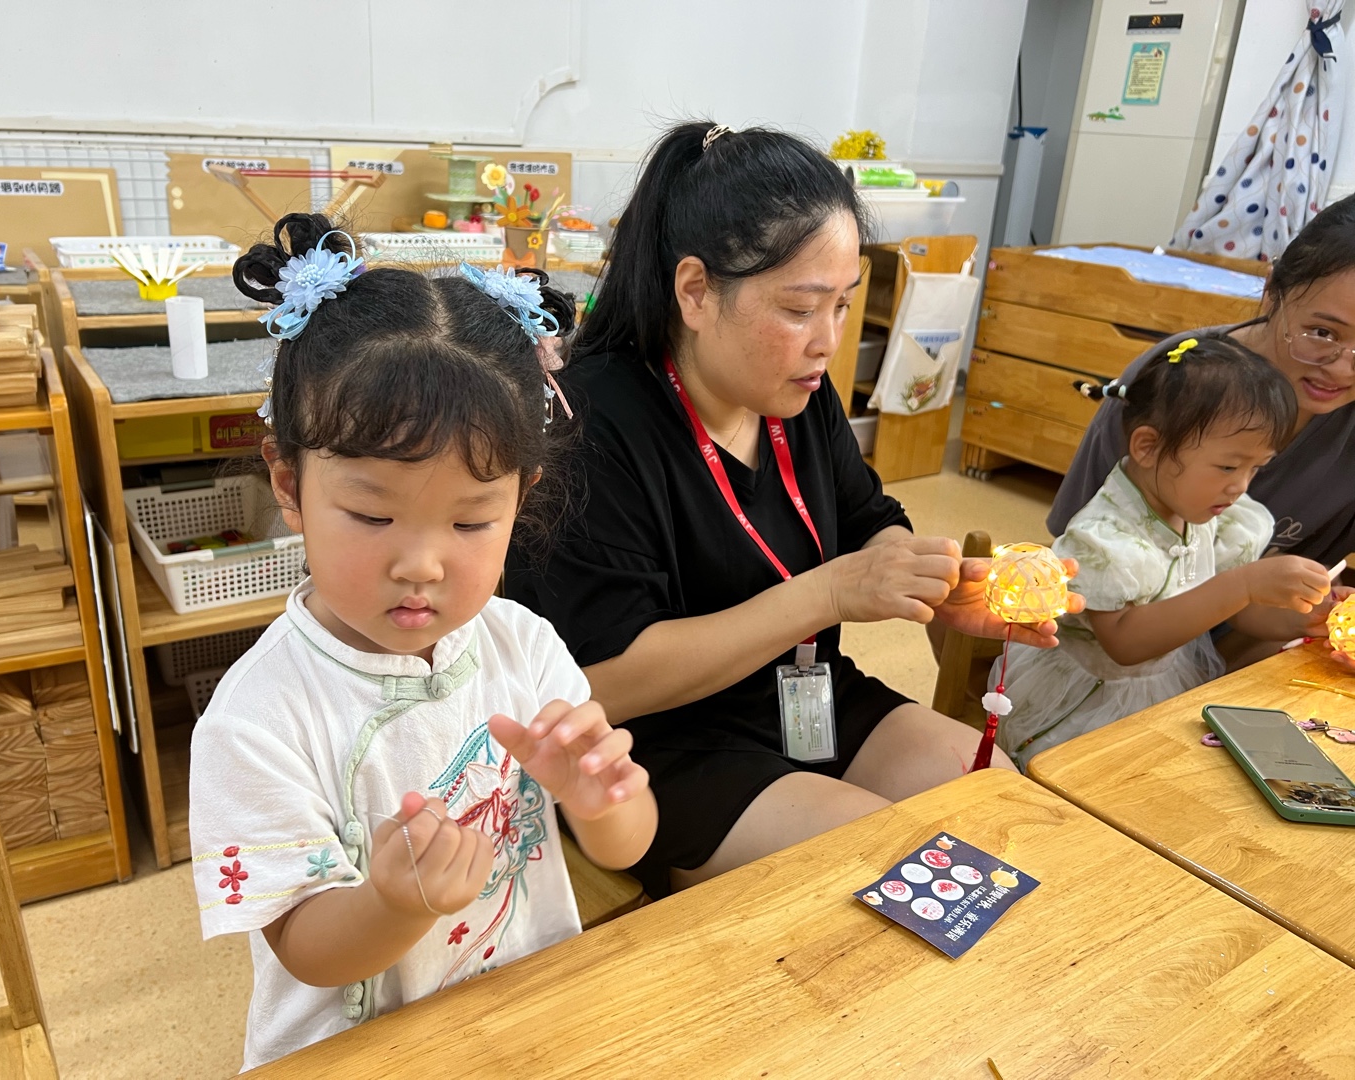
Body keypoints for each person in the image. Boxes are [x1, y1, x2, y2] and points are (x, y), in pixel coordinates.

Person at [505, 122, 1078, 900]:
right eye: (802, 308)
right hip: (653, 748)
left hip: (802, 693)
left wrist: (943, 587)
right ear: (695, 291)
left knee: (992, 802)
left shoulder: (795, 393)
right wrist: (829, 592)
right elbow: (601, 682)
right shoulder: (592, 423)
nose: (828, 342)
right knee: (885, 869)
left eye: (842, 306)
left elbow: (869, 518)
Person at [188, 214, 656, 1070]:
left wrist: (603, 802)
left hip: (518, 1028)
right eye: (371, 515)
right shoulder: (257, 717)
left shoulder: (523, 645)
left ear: (521, 498)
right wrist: (395, 904)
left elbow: (629, 843)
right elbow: (304, 948)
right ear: (288, 484)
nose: (421, 565)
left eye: (472, 522)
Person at [997, 337, 1342, 769]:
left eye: (1256, 468)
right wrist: (1242, 584)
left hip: (1165, 686)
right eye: (1228, 466)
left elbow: (1242, 613)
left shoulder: (1205, 509)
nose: (1240, 485)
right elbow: (1125, 644)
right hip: (1088, 704)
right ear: (1147, 447)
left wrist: (1307, 615)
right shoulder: (1104, 537)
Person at [1051, 194, 1355, 622]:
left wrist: (1319, 613)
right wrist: (1243, 590)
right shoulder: (1181, 379)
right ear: (1272, 293)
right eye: (1322, 332)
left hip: (1260, 632)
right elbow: (1084, 584)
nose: (1341, 369)